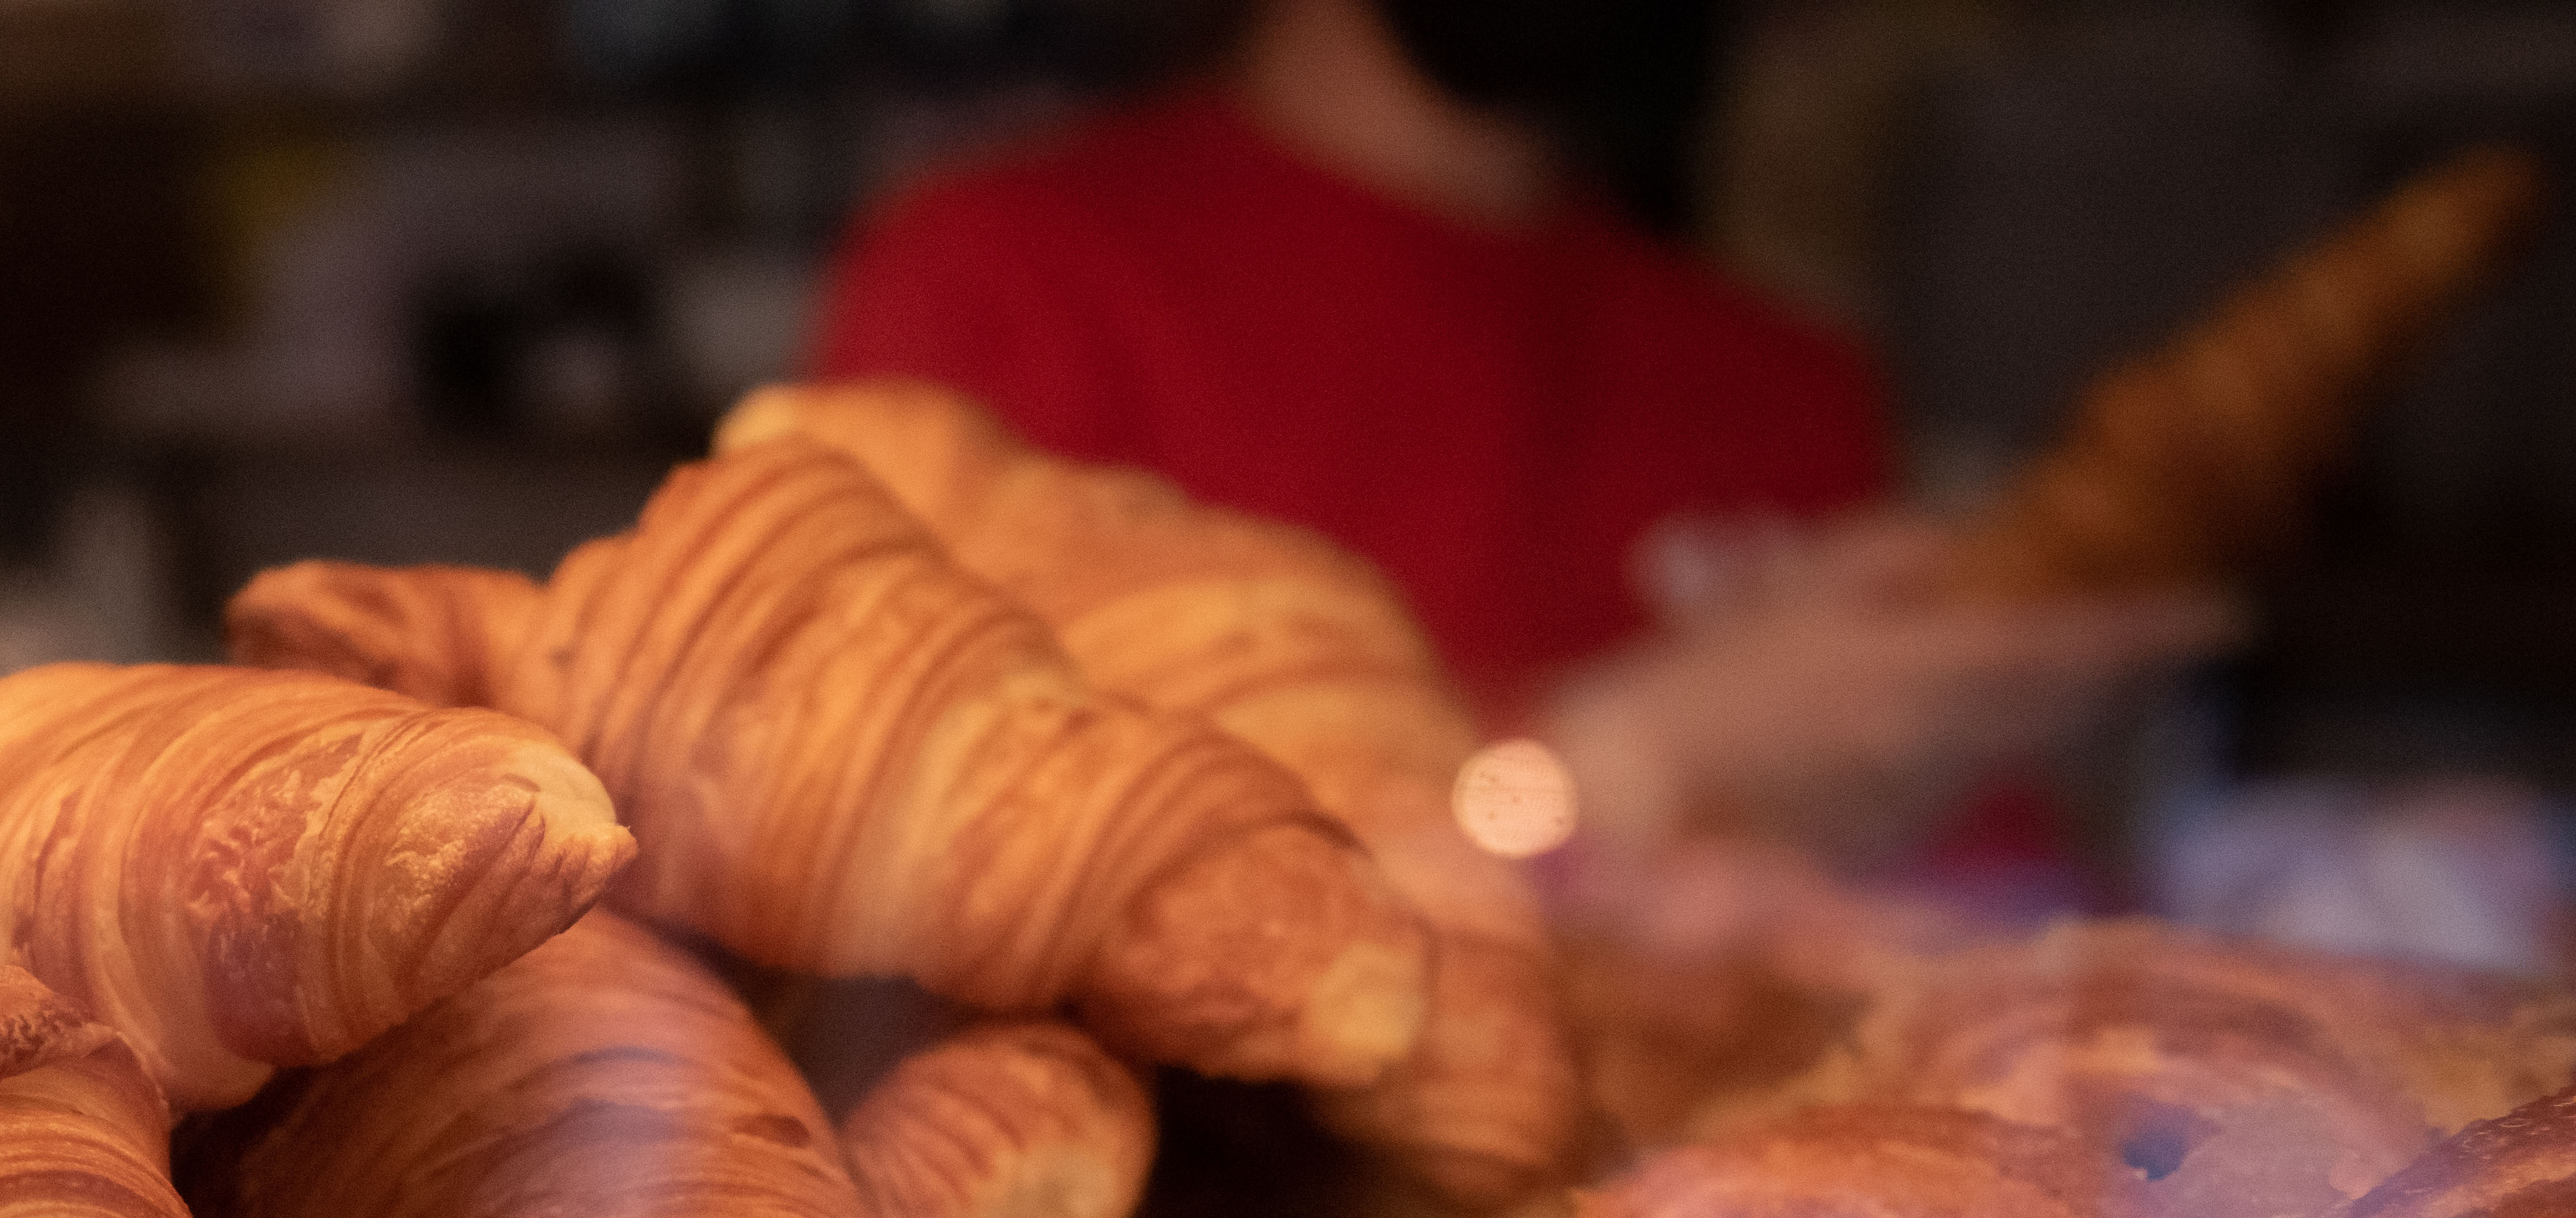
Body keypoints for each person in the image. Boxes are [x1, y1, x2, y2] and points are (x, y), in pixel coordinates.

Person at [811, 0, 2231, 865]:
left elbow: (1957, 951)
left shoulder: (1776, 375)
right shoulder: (1001, 288)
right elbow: (929, 876)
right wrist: (1619, 760)